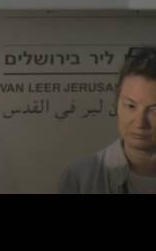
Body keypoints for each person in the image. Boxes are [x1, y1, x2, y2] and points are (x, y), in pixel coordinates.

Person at [59, 46, 156, 193]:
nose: (140, 123)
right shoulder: (80, 177)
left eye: (154, 110)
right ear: (117, 106)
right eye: (130, 106)